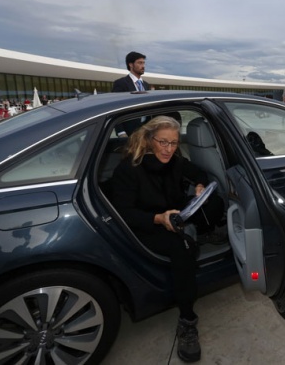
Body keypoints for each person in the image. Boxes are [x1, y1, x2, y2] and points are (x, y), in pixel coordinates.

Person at [110, 116, 224, 362]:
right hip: (148, 223)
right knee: (183, 251)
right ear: (149, 139)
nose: (169, 149)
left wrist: (200, 186)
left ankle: (201, 232)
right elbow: (124, 213)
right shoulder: (129, 169)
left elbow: (199, 172)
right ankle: (187, 321)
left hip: (175, 214)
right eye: (163, 142)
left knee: (214, 201)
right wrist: (158, 219)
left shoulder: (175, 161)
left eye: (174, 143)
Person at [113, 52, 151, 137]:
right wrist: (121, 132)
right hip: (128, 132)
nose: (143, 66)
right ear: (131, 65)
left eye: (143, 63)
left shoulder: (146, 85)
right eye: (140, 63)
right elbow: (116, 108)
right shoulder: (121, 83)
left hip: (145, 130)